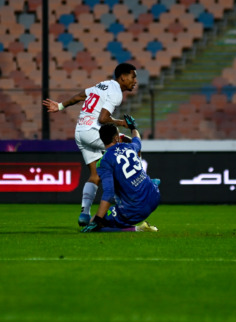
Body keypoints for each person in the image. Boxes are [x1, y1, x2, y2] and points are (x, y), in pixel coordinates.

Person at [42, 63, 137, 226]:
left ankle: (84, 214)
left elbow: (80, 96)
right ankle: (129, 204)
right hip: (93, 130)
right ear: (123, 77)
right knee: (129, 144)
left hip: (80, 132)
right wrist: (123, 123)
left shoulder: (102, 85)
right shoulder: (116, 92)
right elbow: (103, 118)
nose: (135, 81)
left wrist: (60, 106)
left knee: (95, 175)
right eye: (133, 76)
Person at [81, 117, 160, 232]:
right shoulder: (130, 147)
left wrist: (98, 220)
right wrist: (132, 126)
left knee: (94, 224)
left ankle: (139, 229)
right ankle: (153, 183)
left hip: (135, 209)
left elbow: (109, 193)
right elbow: (137, 138)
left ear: (102, 140)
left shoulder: (104, 162)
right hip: (154, 197)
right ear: (117, 138)